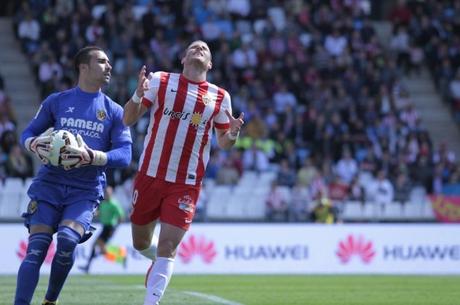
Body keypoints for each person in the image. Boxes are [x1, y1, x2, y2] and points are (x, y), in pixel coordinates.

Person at [123, 40, 244, 305]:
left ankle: (151, 301)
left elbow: (224, 142)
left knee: (168, 246)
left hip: (185, 182)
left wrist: (232, 133)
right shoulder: (160, 81)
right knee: (141, 243)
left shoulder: (220, 96)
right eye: (193, 47)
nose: (199, 49)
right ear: (183, 58)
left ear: (210, 64)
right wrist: (136, 94)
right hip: (150, 175)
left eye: (205, 49)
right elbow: (128, 119)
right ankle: (155, 262)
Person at [14, 46, 132, 305]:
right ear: (83, 67)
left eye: (109, 62)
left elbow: (125, 155)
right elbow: (27, 133)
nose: (109, 66)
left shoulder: (114, 110)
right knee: (36, 249)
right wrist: (33, 144)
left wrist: (95, 156)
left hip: (85, 189)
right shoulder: (57, 101)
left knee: (67, 241)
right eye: (102, 61)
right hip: (49, 184)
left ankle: (50, 301)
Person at [78, 185, 125, 273]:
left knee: (98, 247)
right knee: (100, 249)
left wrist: (115, 228)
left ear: (111, 193)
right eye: (106, 192)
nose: (106, 194)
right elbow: (100, 213)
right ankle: (120, 256)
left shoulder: (114, 204)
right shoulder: (103, 203)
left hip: (110, 228)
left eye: (108, 193)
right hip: (105, 227)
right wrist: (93, 214)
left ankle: (120, 256)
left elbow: (121, 216)